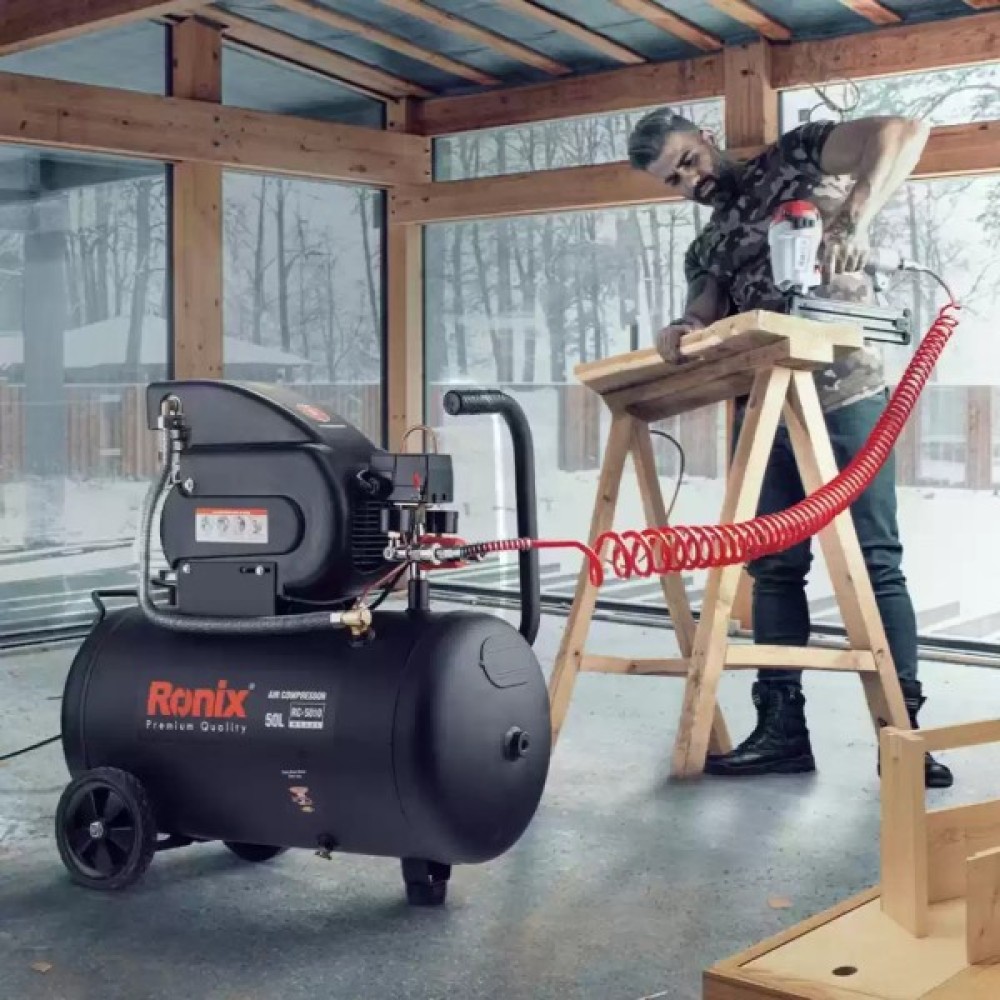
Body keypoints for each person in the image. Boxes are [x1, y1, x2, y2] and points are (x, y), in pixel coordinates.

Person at [626, 109, 952, 788]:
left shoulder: (796, 157)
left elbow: (902, 132)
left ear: (706, 136)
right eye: (673, 181)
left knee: (875, 561)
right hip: (765, 406)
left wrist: (854, 217)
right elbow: (703, 305)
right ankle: (781, 731)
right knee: (772, 567)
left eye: (688, 160)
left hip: (846, 392)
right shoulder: (708, 244)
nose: (691, 181)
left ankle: (903, 738)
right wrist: (682, 328)